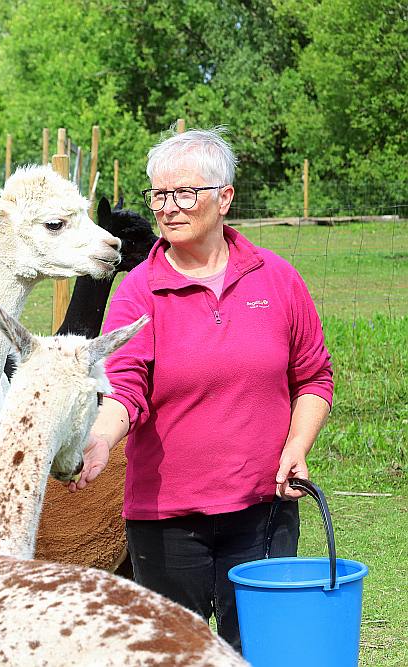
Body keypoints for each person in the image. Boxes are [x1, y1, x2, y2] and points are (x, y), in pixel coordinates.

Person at [72, 127, 333, 651]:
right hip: (166, 522)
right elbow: (124, 389)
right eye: (159, 195)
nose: (168, 208)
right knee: (176, 657)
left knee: (261, 650)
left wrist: (297, 448)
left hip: (264, 509)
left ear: (224, 198)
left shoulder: (277, 280)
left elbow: (314, 377)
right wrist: (100, 438)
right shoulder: (137, 293)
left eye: (184, 192)